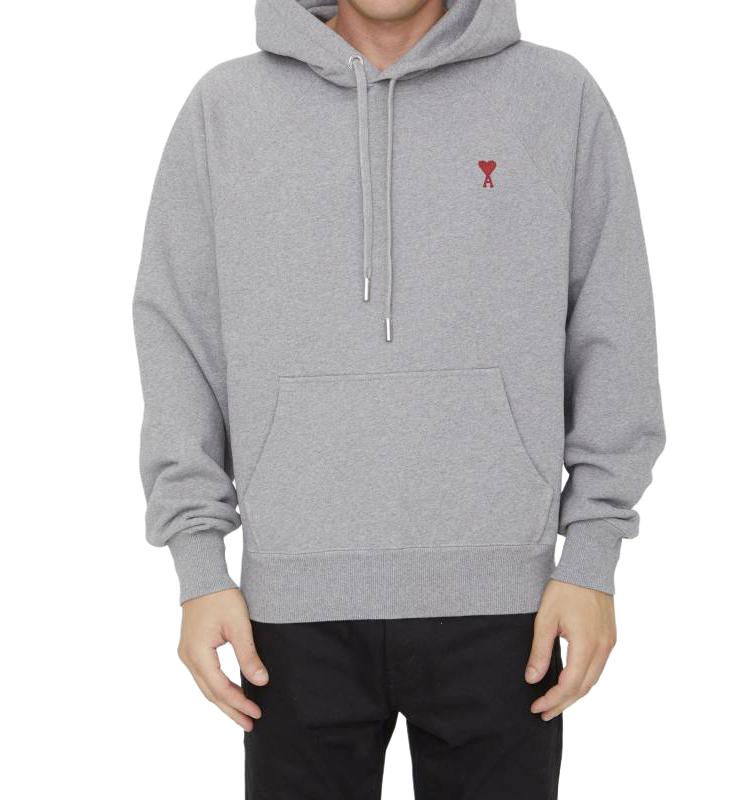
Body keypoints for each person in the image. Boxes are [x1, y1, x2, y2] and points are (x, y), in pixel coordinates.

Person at [133, 0, 665, 796]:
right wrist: (198, 564)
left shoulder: (556, 97)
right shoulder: (226, 108)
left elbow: (613, 329)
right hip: (288, 607)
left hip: (508, 605)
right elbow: (178, 334)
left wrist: (592, 556)